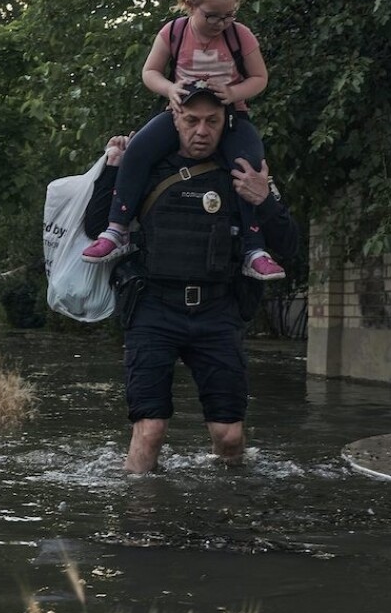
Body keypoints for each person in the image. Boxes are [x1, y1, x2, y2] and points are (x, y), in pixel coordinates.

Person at [85, 83, 300, 470]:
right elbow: (95, 226)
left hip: (218, 312)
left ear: (225, 122)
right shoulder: (147, 166)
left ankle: (228, 503)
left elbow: (288, 245)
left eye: (212, 121)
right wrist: (112, 167)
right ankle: (139, 508)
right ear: (175, 119)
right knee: (150, 431)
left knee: (229, 436)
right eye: (192, 120)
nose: (202, 131)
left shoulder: (242, 172)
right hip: (153, 309)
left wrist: (264, 198)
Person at [81, 0, 286, 282]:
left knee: (249, 165)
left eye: (229, 15)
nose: (221, 24)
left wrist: (233, 92)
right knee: (137, 150)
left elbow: (260, 78)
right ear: (190, 4)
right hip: (180, 112)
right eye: (213, 16)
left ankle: (254, 249)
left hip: (230, 116)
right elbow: (150, 72)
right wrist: (170, 89)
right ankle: (117, 229)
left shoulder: (240, 35)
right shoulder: (174, 32)